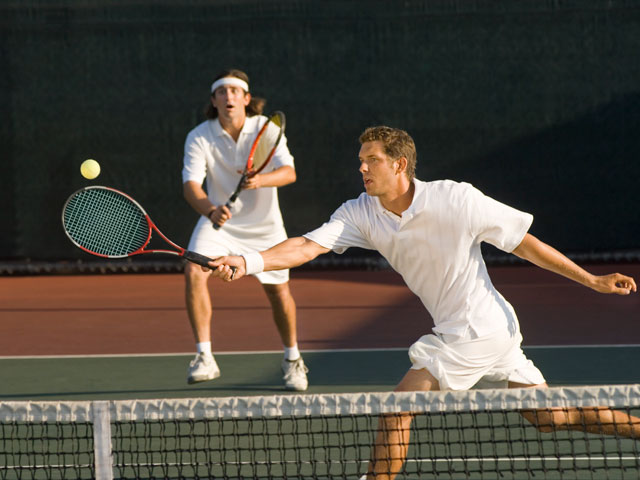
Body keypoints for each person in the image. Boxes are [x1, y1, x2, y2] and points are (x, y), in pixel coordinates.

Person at [206, 125, 638, 478]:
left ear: (400, 164)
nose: (362, 168)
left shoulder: (455, 199)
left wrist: (592, 280)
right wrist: (247, 261)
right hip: (492, 330)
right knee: (550, 418)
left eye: (371, 160)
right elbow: (306, 246)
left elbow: (526, 245)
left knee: (398, 409)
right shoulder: (362, 213)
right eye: (361, 160)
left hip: (476, 330)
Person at [181, 68, 308, 391]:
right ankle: (204, 357)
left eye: (235, 91)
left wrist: (261, 179)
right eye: (222, 92)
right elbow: (191, 186)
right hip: (220, 223)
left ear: (247, 99)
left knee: (278, 292)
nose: (229, 97)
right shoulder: (199, 136)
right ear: (214, 100)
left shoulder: (266, 129)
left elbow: (289, 172)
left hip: (266, 226)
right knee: (195, 270)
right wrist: (211, 209)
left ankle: (293, 359)